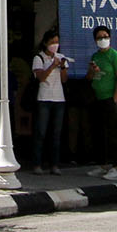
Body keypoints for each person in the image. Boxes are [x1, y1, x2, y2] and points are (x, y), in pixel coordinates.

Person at [86, 25, 117, 181]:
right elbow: (89, 78)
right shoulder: (95, 56)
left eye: (105, 36)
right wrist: (92, 70)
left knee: (113, 133)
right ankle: (102, 164)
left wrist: (115, 98)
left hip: (110, 99)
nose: (102, 39)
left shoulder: (114, 56)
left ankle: (116, 166)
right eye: (99, 37)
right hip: (98, 98)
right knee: (99, 132)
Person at [30, 29, 70, 174]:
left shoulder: (61, 57)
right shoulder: (38, 58)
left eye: (57, 42)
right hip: (44, 98)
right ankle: (37, 164)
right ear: (46, 43)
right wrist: (52, 65)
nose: (55, 45)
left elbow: (64, 80)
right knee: (41, 132)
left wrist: (63, 67)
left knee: (56, 133)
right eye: (52, 42)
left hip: (59, 99)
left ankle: (54, 164)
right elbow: (41, 77)